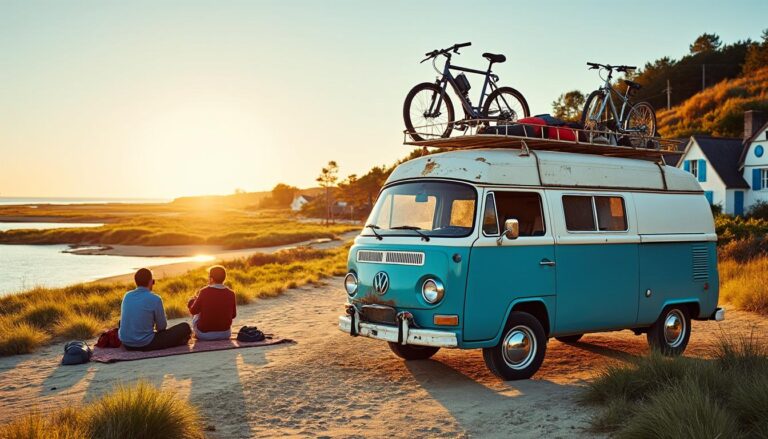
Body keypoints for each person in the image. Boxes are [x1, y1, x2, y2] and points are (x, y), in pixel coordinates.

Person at [118, 268, 191, 351]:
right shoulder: (155, 299)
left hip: (126, 343)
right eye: (152, 281)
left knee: (121, 322)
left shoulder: (127, 296)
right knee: (185, 327)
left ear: (136, 282)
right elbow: (161, 327)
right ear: (150, 282)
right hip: (145, 343)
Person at [187, 265, 237, 341]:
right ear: (224, 278)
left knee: (193, 304)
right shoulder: (231, 293)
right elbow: (233, 315)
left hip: (204, 335)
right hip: (225, 334)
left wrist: (192, 302)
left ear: (211, 278)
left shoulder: (204, 291)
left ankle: (196, 332)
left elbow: (193, 311)